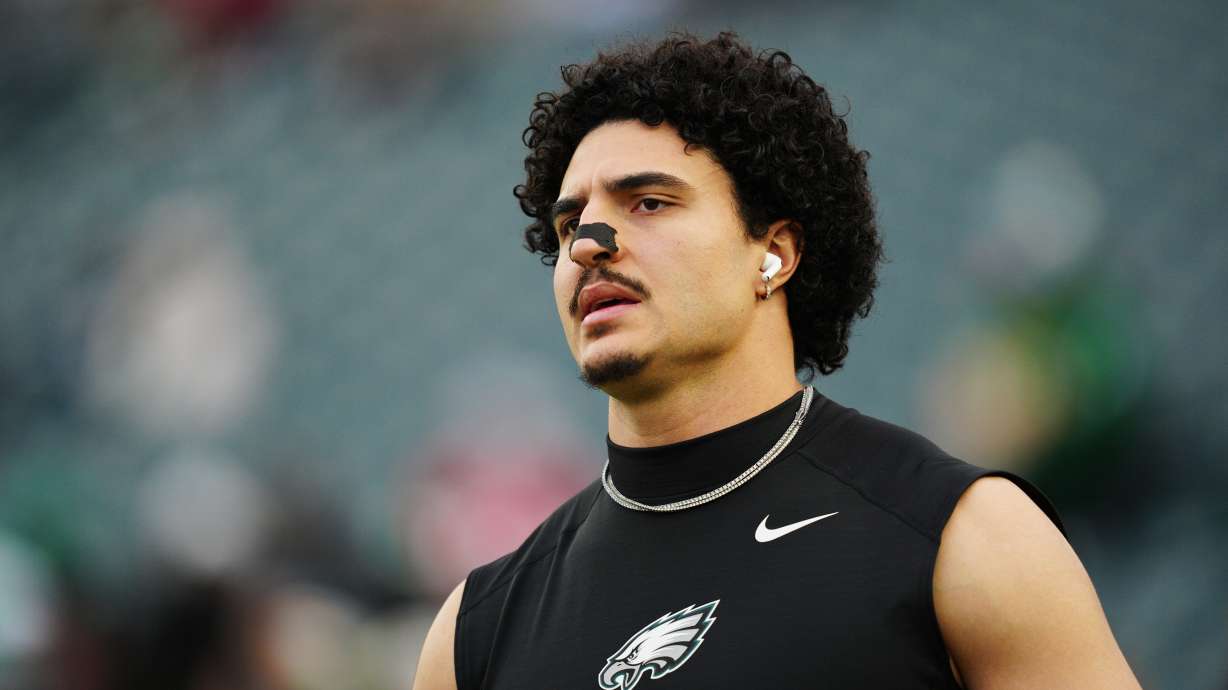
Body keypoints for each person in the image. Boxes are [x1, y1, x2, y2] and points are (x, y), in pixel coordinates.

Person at [414, 31, 1142, 689]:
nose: (588, 243)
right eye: (570, 222)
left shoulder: (962, 535)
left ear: (775, 254)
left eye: (650, 203)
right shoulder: (474, 632)